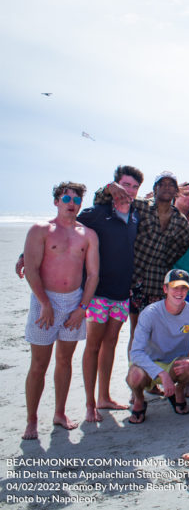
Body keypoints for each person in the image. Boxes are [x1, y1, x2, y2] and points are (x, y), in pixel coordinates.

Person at [22, 182, 99, 439]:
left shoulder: (87, 234)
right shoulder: (41, 229)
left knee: (65, 361)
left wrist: (82, 308)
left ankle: (59, 412)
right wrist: (44, 303)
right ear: (57, 201)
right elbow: (31, 269)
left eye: (77, 200)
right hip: (45, 301)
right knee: (39, 364)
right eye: (66, 197)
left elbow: (93, 275)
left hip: (74, 302)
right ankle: (32, 420)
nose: (71, 203)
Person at [94, 171, 189, 340]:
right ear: (154, 189)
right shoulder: (139, 206)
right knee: (131, 331)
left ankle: (144, 366)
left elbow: (184, 247)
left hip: (157, 284)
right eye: (162, 184)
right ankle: (133, 366)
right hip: (131, 280)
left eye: (171, 185)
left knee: (150, 332)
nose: (167, 187)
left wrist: (166, 266)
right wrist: (110, 187)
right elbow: (101, 201)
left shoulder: (181, 221)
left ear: (176, 191)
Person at [79, 166, 142, 423]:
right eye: (125, 185)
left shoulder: (137, 215)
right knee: (93, 345)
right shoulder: (97, 213)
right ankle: (89, 404)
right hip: (97, 293)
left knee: (111, 343)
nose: (129, 190)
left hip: (121, 293)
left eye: (134, 187)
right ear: (115, 186)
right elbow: (63, 228)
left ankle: (104, 396)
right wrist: (26, 253)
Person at [126, 269, 189, 423]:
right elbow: (136, 352)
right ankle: (139, 399)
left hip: (175, 365)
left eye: (183, 288)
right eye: (174, 287)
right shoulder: (149, 313)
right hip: (149, 366)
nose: (179, 292)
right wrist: (161, 374)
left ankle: (179, 390)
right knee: (135, 375)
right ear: (165, 289)